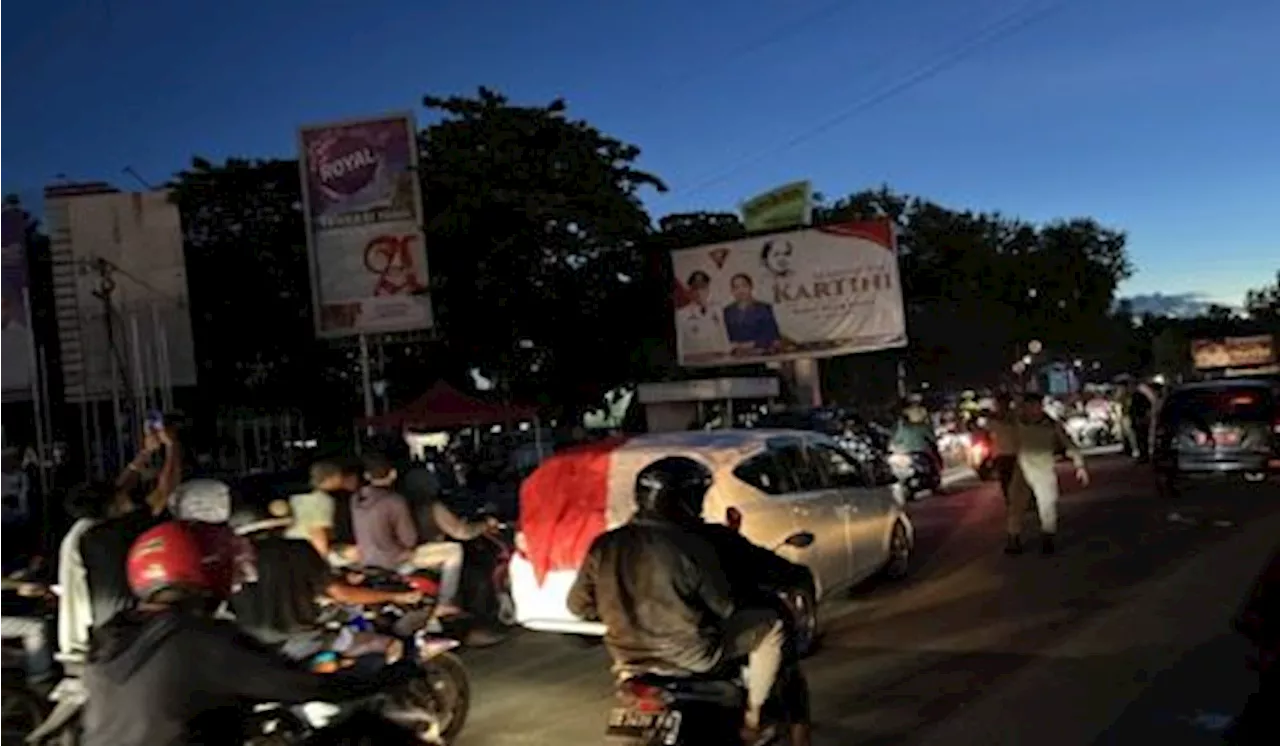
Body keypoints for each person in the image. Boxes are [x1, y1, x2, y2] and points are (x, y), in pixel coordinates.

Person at [81, 519, 414, 746]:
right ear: (211, 570)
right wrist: (388, 675)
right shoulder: (200, 640)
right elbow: (308, 686)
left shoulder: (113, 637)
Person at [567, 456, 785, 743]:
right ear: (684, 500)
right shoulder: (692, 545)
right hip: (692, 656)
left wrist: (618, 611)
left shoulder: (605, 544)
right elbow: (724, 605)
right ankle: (754, 717)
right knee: (771, 626)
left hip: (628, 659)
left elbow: (578, 606)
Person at [228, 499, 414, 662]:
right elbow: (341, 594)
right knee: (389, 644)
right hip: (306, 640)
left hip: (252, 648)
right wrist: (395, 596)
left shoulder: (229, 561)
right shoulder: (297, 549)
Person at [693, 508, 814, 746]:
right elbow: (766, 567)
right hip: (699, 639)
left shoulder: (635, 545)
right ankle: (754, 714)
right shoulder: (709, 538)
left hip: (645, 646)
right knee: (772, 630)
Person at [350, 453, 501, 628]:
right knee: (454, 551)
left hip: (368, 561)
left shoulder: (357, 499)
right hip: (398, 560)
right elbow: (455, 533)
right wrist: (484, 525)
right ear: (393, 474)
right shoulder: (407, 502)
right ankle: (445, 602)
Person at [79, 426, 181, 632]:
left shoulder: (91, 532)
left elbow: (119, 489)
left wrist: (146, 453)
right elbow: (165, 490)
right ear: (112, 506)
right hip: (129, 622)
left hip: (104, 620)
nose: (129, 496)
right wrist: (172, 447)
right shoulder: (123, 529)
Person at [1005, 392, 1089, 555]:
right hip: (1022, 469)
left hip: (1044, 469)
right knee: (1016, 504)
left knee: (1047, 504)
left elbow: (1068, 443)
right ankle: (1013, 539)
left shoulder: (1051, 425)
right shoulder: (1017, 422)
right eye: (1028, 406)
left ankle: (1047, 537)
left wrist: (1079, 465)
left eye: (1035, 406)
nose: (1031, 410)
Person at [56, 481, 113, 659]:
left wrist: (137, 463)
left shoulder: (79, 531)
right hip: (90, 621)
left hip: (77, 621)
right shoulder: (95, 535)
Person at [286, 460, 353, 558]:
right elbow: (318, 532)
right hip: (309, 550)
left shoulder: (297, 497)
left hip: (293, 546)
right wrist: (323, 559)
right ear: (332, 477)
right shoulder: (322, 500)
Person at [723, 273, 783, 355]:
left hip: (761, 355)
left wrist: (752, 344)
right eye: (736, 287)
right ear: (732, 291)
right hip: (736, 357)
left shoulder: (764, 308)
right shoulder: (727, 311)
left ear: (751, 287)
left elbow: (774, 338)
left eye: (744, 286)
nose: (741, 290)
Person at [677, 270, 730, 360]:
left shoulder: (718, 310)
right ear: (690, 290)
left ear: (708, 289)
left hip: (718, 360)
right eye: (695, 288)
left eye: (703, 287)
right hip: (694, 362)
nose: (699, 292)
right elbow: (679, 347)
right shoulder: (681, 315)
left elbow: (724, 338)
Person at [984, 397, 1020, 506]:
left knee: (1017, 480)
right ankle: (1010, 501)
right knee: (1006, 480)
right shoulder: (992, 420)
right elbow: (987, 433)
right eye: (999, 404)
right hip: (1001, 454)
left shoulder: (1016, 416)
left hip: (1015, 453)